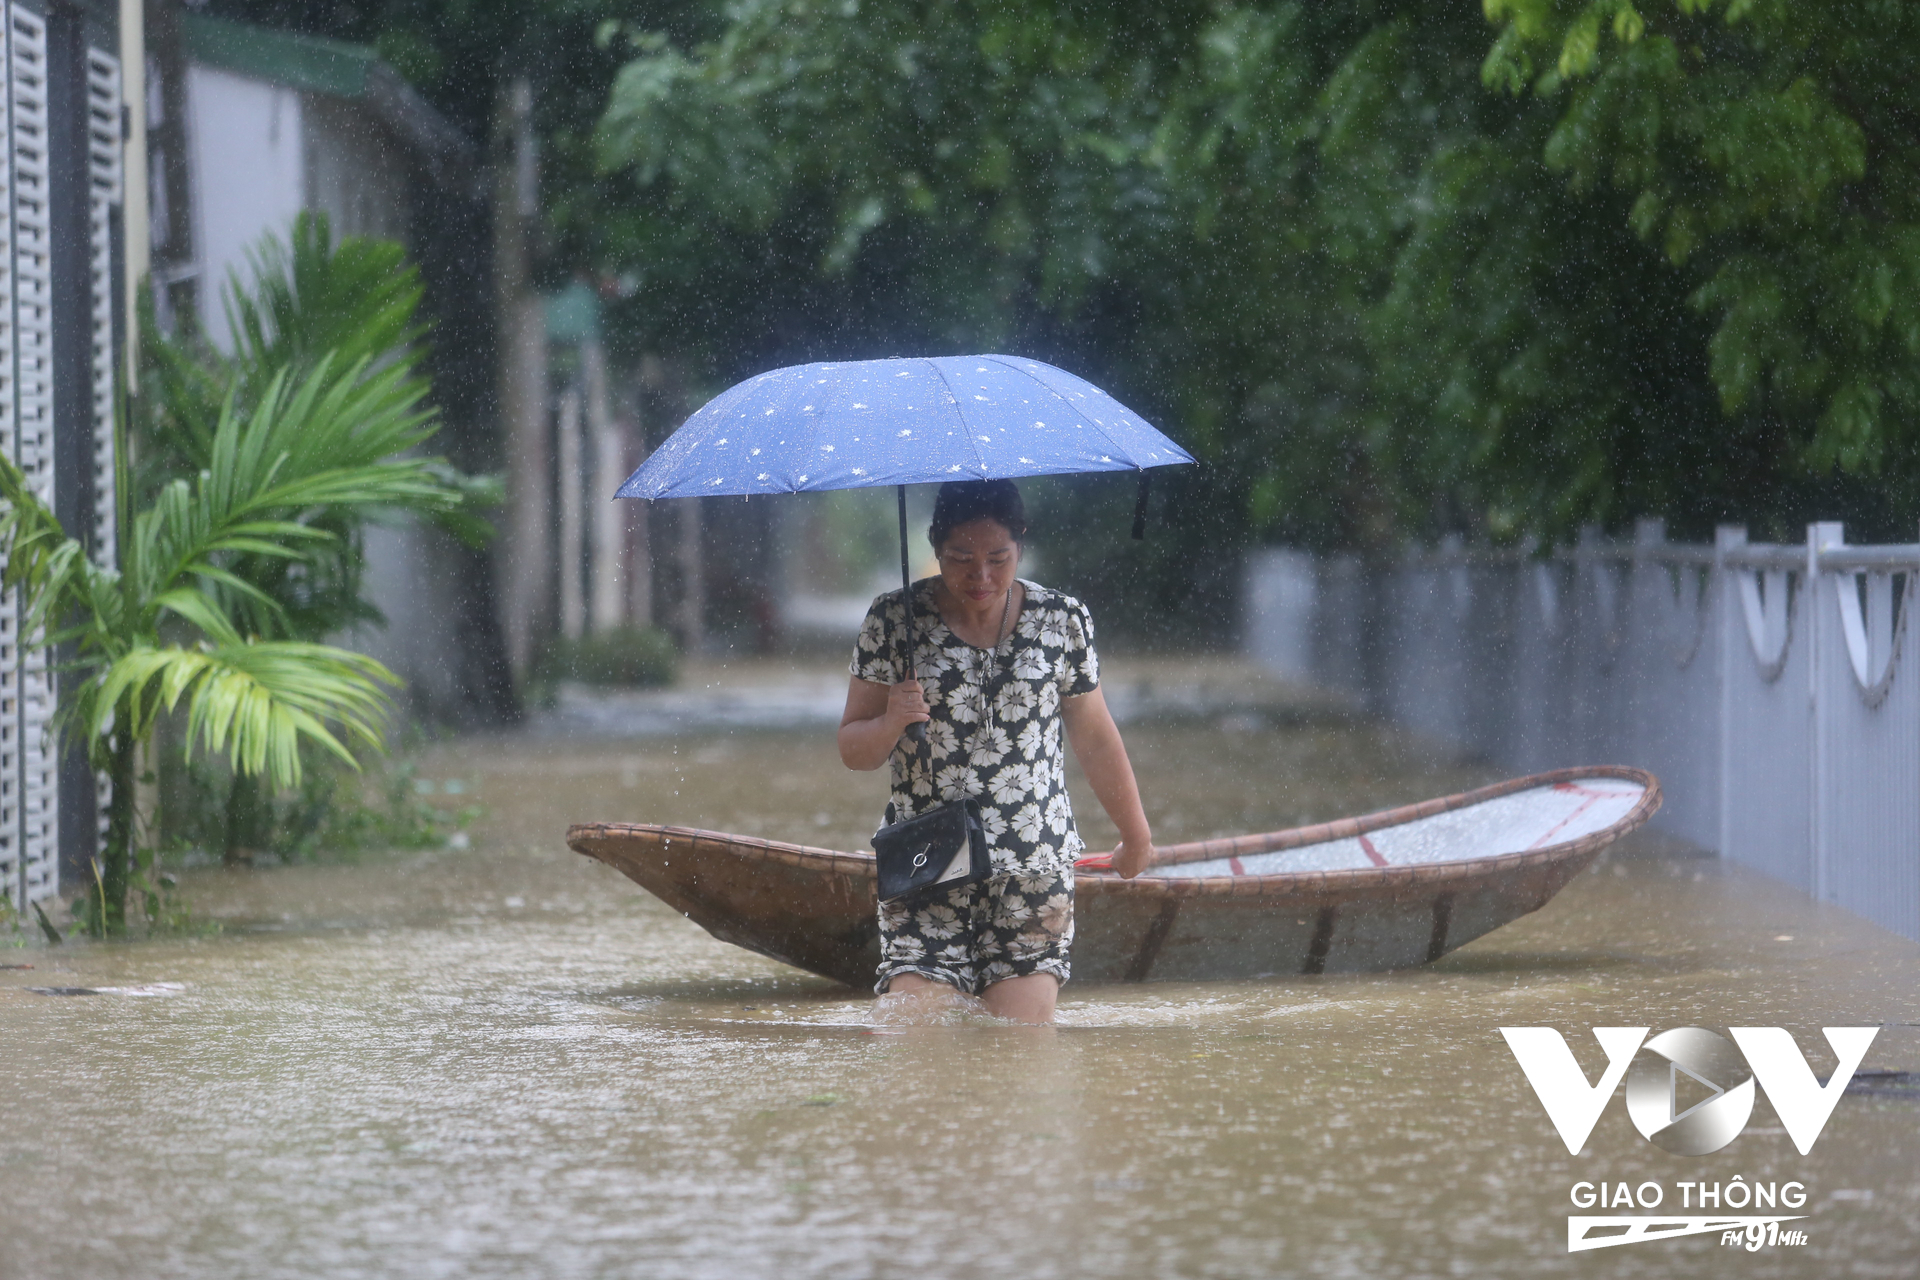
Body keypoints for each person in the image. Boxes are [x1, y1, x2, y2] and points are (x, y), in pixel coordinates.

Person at [838, 479, 1154, 1024]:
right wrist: (891, 719)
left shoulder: (1062, 621)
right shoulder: (893, 621)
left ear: (1021, 545)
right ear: (934, 547)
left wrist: (1136, 834)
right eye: (961, 558)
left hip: (1032, 867)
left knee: (1020, 1056)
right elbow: (853, 750)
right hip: (926, 867)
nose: (980, 576)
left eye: (998, 558)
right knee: (911, 1043)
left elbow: (1095, 738)